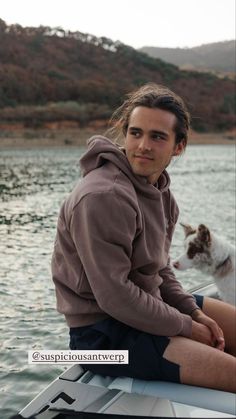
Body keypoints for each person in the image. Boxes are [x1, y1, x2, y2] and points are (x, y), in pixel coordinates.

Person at [51, 83, 236, 393]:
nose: (143, 146)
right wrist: (189, 328)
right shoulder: (103, 197)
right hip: (106, 336)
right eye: (135, 133)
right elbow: (116, 297)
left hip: (150, 304)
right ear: (124, 134)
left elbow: (159, 269)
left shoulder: (161, 194)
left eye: (157, 136)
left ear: (179, 146)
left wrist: (193, 311)